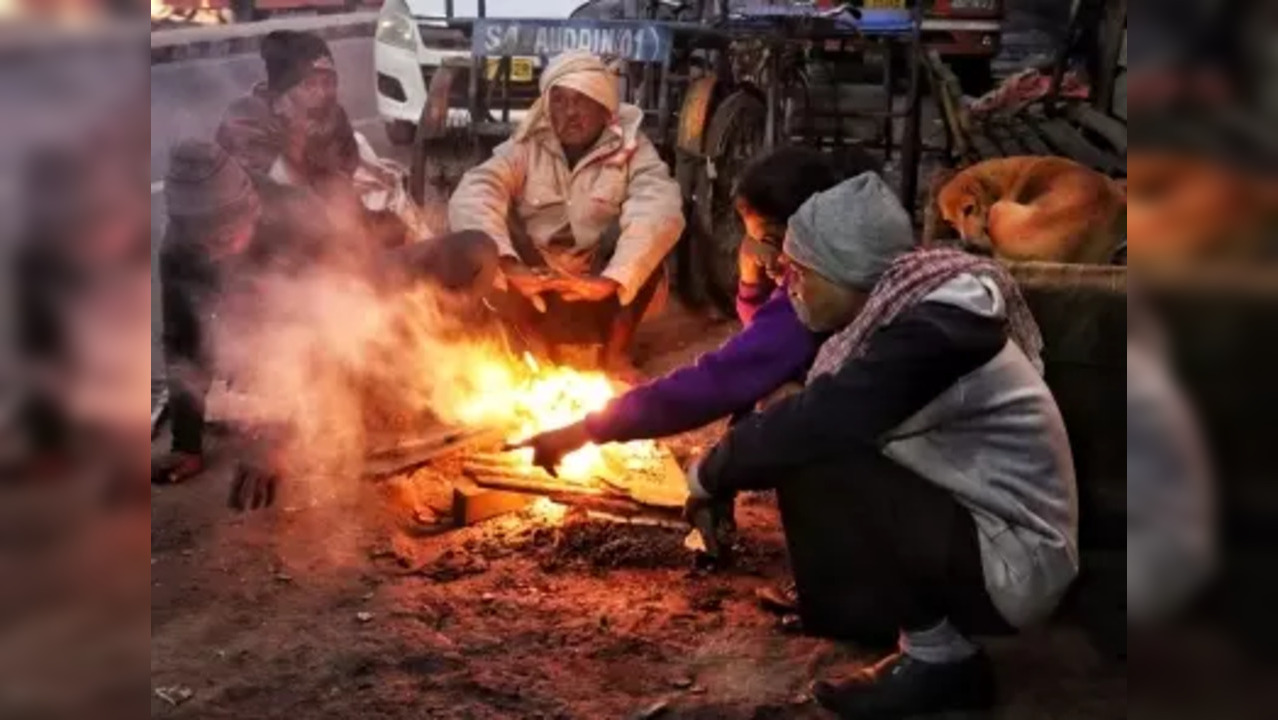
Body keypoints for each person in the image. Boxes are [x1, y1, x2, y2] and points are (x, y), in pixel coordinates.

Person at [681, 174, 1079, 717]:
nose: (787, 285)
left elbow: (821, 421)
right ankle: (919, 638)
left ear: (847, 274)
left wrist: (710, 471)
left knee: (825, 450)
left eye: (798, 271)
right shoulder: (910, 313)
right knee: (807, 430)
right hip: (990, 536)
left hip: (1015, 565)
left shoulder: (936, 335)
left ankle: (941, 665)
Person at [151, 140, 497, 492]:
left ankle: (420, 377)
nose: (216, 251)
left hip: (358, 301)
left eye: (226, 237)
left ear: (251, 210)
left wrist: (275, 443)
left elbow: (328, 327)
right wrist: (186, 445)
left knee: (474, 251)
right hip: (266, 338)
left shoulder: (295, 216)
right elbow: (181, 342)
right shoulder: (179, 249)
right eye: (204, 244)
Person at [514, 146, 872, 475]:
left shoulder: (811, 296)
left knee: (773, 402)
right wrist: (750, 284)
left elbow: (721, 379)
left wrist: (586, 429)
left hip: (869, 451)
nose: (760, 254)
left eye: (767, 240)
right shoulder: (841, 257)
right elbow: (766, 344)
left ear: (800, 231)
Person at [447, 49, 684, 373]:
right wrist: (508, 264)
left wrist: (613, 279)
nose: (569, 113)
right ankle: (536, 351)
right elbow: (475, 192)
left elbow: (660, 207)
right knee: (483, 243)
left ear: (604, 108)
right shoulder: (527, 145)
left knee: (647, 237)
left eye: (581, 100)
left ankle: (616, 356)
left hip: (603, 287)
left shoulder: (632, 148)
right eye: (558, 101)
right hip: (536, 286)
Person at [216, 30, 431, 250]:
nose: (322, 93)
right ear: (280, 94)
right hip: (259, 233)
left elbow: (340, 188)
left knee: (391, 230)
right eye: (309, 85)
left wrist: (365, 226)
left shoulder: (333, 118)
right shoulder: (245, 122)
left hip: (319, 221)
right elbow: (272, 196)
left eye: (328, 82)